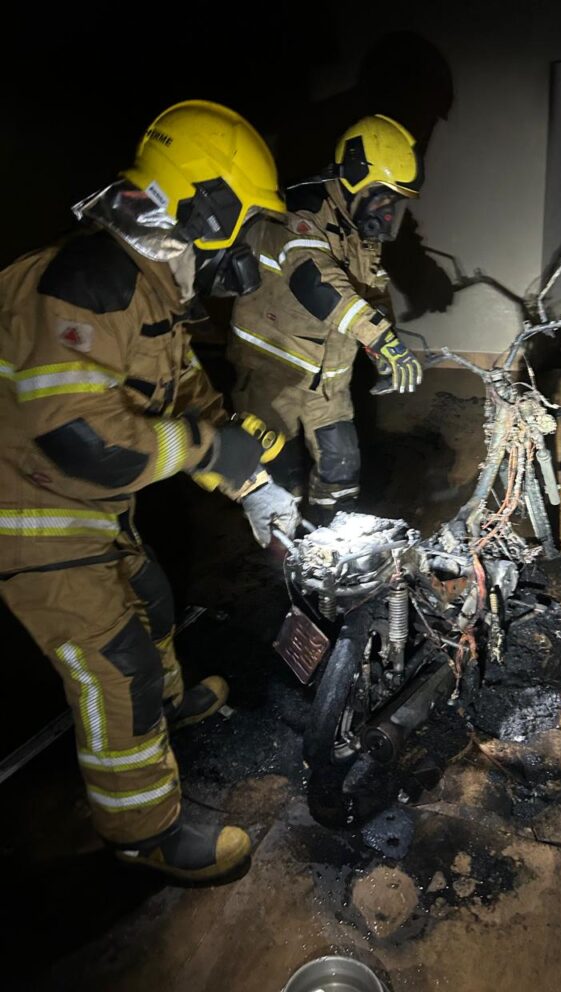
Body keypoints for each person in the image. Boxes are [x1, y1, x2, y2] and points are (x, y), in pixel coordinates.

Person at [0, 100, 299, 883]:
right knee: (117, 663)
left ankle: (166, 712)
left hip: (78, 505)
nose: (248, 251)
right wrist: (209, 447)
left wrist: (255, 484)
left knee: (155, 602)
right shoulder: (89, 282)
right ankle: (142, 830)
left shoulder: (153, 296)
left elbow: (193, 407)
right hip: (25, 513)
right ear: (206, 208)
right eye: (247, 225)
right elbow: (85, 441)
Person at [228, 114, 424, 519]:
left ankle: (327, 556)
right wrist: (378, 337)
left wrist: (381, 344)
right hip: (273, 373)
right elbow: (314, 279)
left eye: (395, 201)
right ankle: (282, 565)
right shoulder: (300, 210)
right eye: (383, 197)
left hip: (330, 383)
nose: (389, 212)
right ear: (354, 177)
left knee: (341, 472)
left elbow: (372, 289)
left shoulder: (357, 228)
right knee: (276, 477)